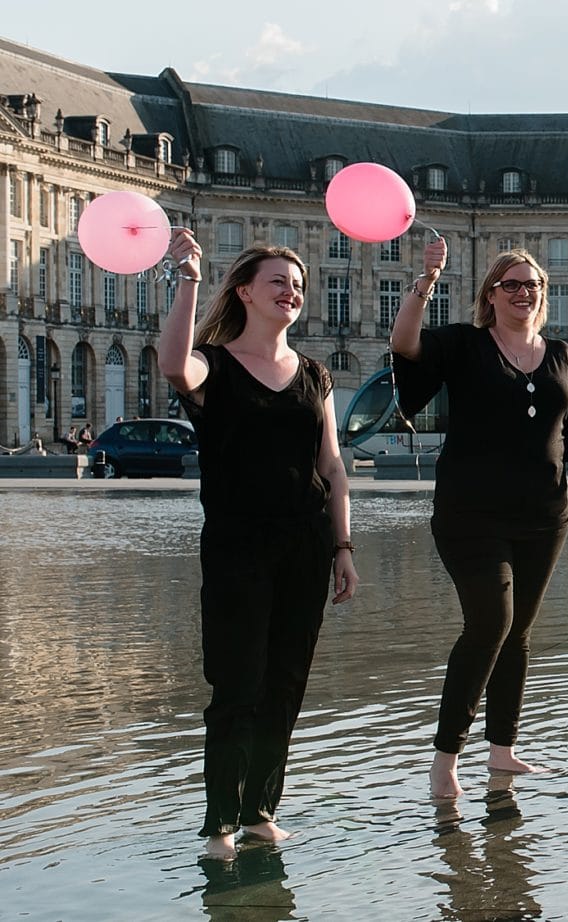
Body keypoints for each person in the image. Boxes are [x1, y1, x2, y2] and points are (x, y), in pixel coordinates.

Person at [157, 230, 358, 861]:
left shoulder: (316, 375)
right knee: (236, 684)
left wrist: (344, 546)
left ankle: (260, 810)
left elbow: (332, 464)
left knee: (285, 684)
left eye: (298, 285)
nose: (291, 292)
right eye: (278, 281)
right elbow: (171, 362)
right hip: (237, 548)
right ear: (244, 290)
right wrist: (188, 279)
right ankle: (219, 823)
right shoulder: (212, 366)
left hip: (306, 545)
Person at [391, 241, 568, 801]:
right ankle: (445, 758)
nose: (522, 292)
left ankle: (503, 751)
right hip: (471, 514)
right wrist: (427, 281)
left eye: (531, 283)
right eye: (510, 283)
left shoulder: (561, 354)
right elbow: (404, 345)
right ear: (490, 295)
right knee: (490, 623)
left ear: (543, 294)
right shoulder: (464, 344)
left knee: (518, 634)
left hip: (544, 516)